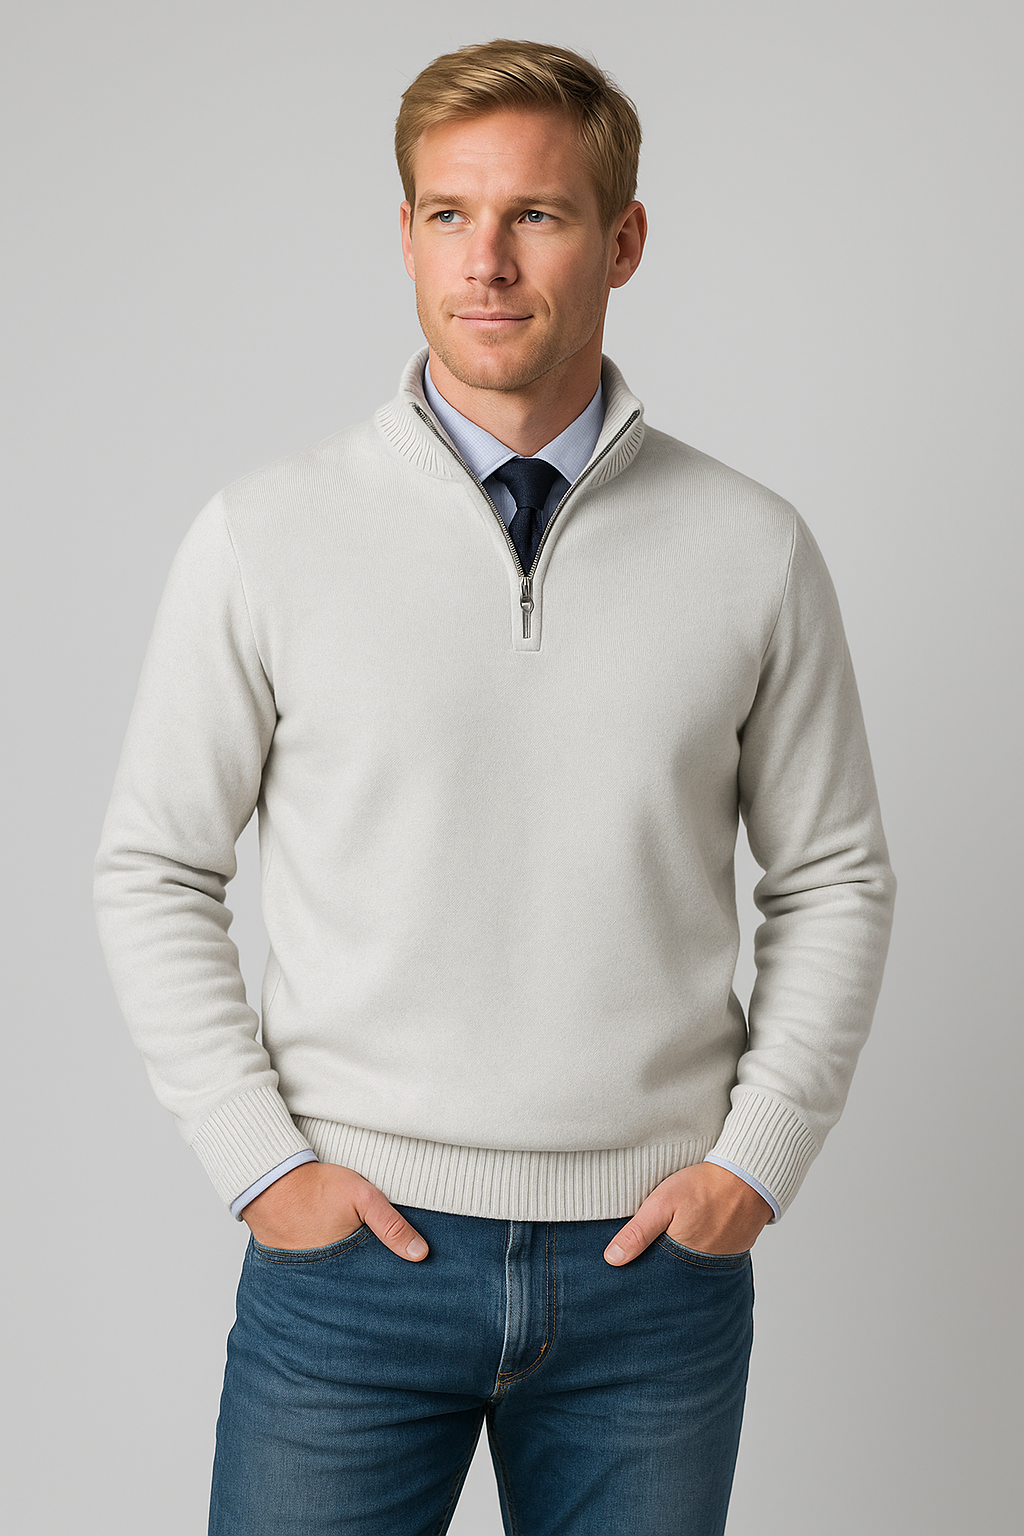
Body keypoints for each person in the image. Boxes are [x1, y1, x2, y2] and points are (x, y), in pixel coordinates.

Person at [94, 37, 895, 1536]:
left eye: (536, 214)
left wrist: (757, 1159)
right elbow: (155, 865)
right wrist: (260, 1165)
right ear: (404, 235)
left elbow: (834, 874)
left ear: (622, 241)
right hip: (353, 1269)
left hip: (650, 1277)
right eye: (449, 214)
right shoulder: (268, 534)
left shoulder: (752, 547)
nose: (488, 262)